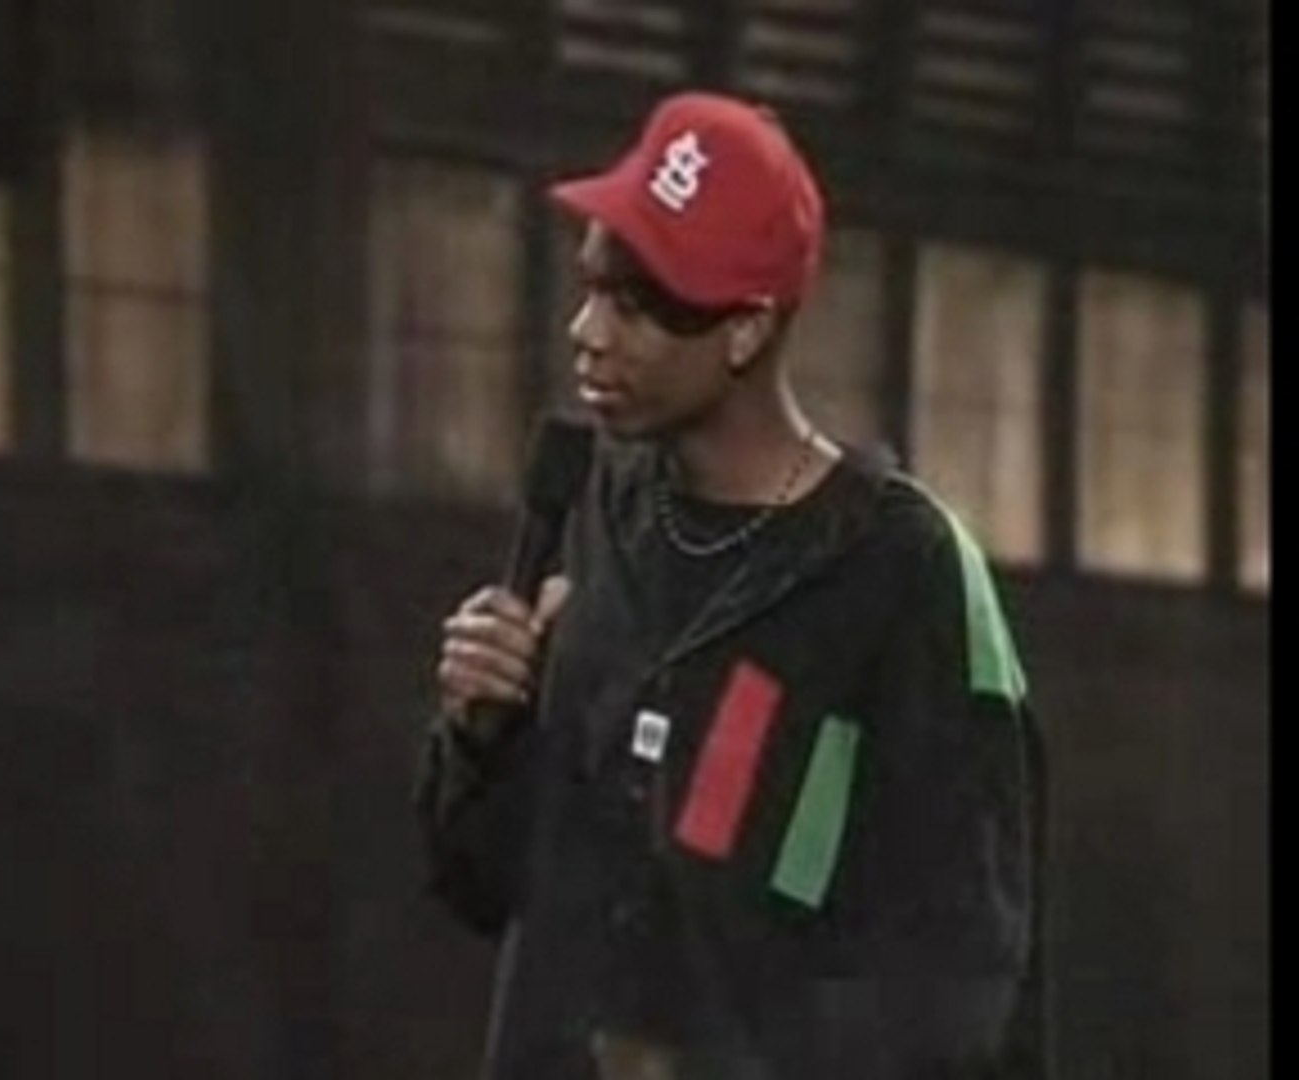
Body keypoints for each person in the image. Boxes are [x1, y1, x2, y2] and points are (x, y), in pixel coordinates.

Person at [416, 90, 1048, 1080]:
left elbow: (958, 979)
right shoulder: (594, 512)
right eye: (589, 289)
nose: (586, 331)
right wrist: (479, 735)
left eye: (633, 305)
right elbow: (487, 882)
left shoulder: (904, 571)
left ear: (746, 330)